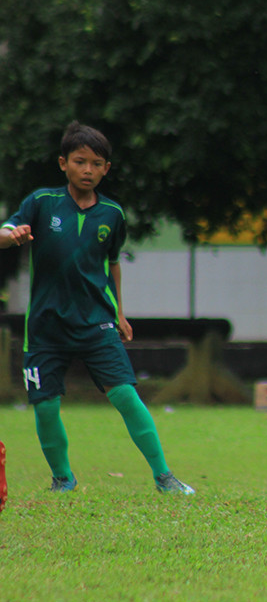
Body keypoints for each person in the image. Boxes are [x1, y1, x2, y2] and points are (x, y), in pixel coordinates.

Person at [0, 122, 195, 495]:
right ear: (64, 163)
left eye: (96, 163)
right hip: (45, 326)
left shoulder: (112, 214)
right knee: (45, 406)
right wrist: (13, 235)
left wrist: (119, 312)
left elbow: (113, 263)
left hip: (96, 322)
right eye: (80, 161)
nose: (87, 170)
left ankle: (164, 477)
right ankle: (63, 479)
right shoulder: (41, 202)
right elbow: (4, 233)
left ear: (106, 168)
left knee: (125, 395)